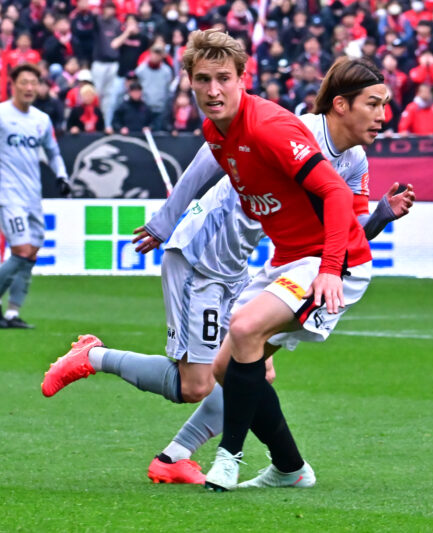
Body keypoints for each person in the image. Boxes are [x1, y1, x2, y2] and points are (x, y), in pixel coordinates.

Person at [40, 35, 407, 491]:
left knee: (244, 368)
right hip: (206, 255)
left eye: (223, 79)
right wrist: (164, 221)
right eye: (374, 103)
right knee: (207, 377)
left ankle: (235, 462)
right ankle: (99, 362)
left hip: (263, 261)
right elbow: (202, 166)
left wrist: (376, 223)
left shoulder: (352, 160)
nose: (382, 116)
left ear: (241, 80)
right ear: (340, 105)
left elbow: (347, 226)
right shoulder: (288, 130)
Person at [0, 64, 70, 329]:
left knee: (31, 254)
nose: (29, 88)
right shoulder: (2, 115)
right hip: (8, 193)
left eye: (34, 83)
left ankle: (12, 314)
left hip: (32, 194)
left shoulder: (41, 119)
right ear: (13, 85)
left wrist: (61, 176)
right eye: (24, 82)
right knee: (20, 249)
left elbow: (53, 152)